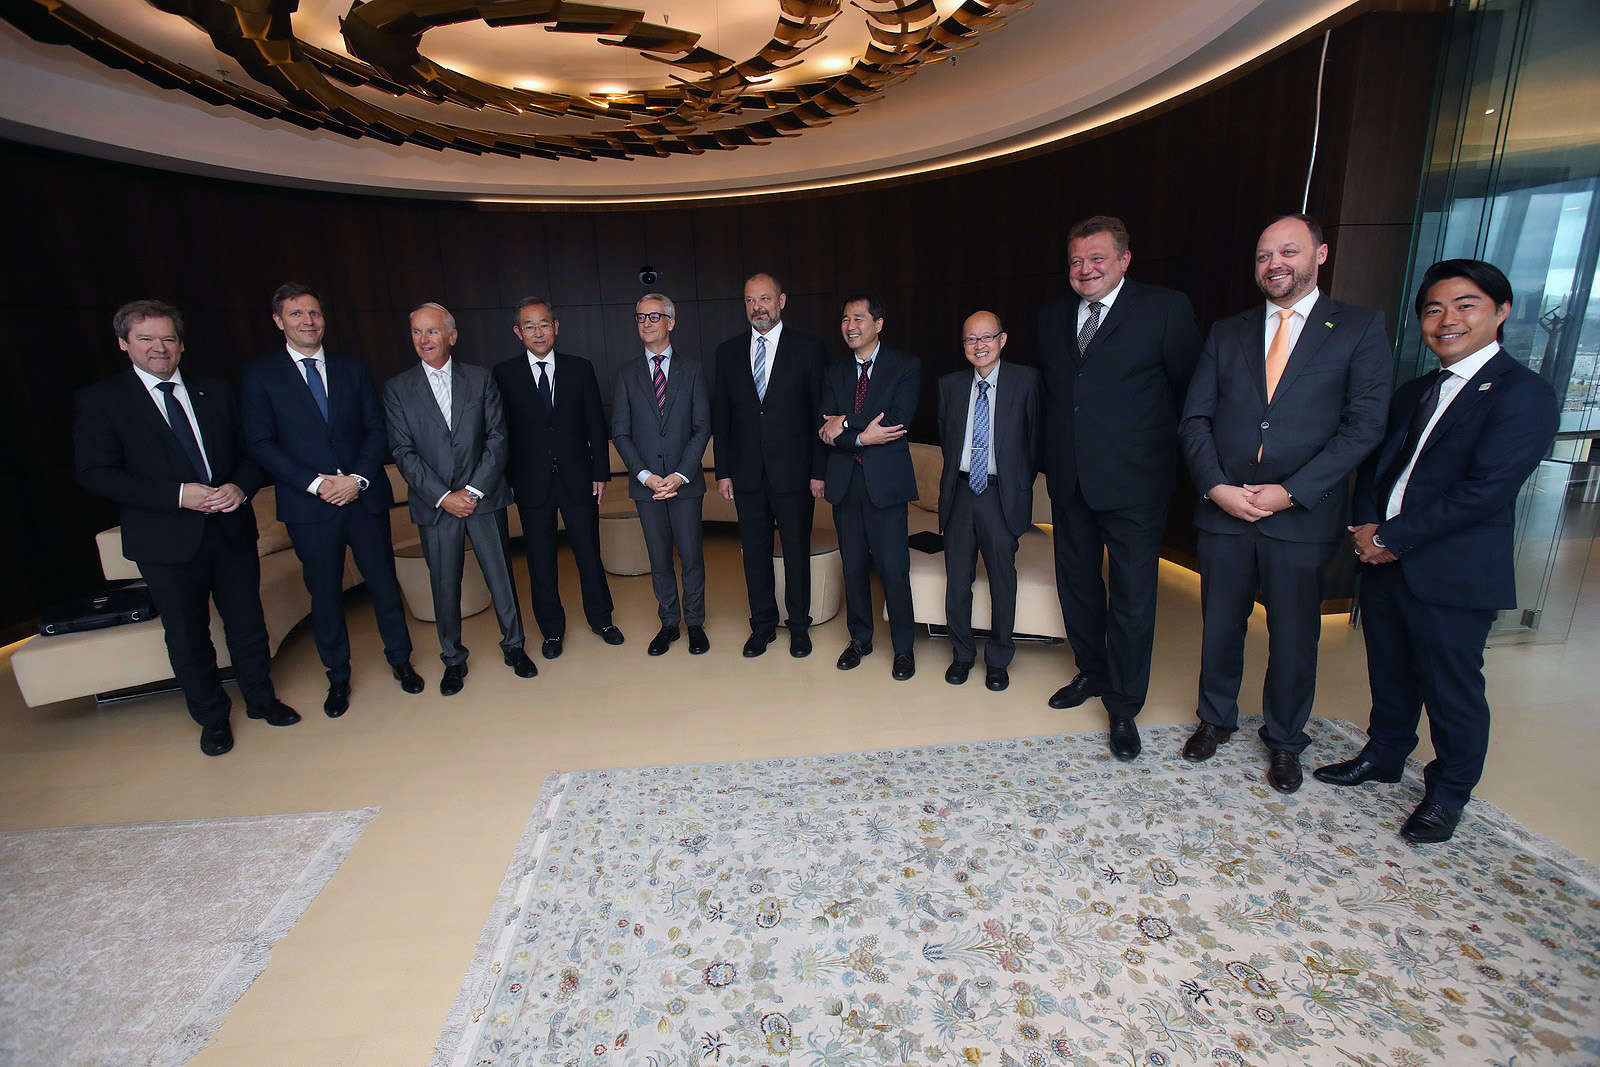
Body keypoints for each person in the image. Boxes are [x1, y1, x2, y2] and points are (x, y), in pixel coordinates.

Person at [1315, 259, 1558, 842]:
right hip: (1384, 561)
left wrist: (1391, 538)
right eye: (1433, 309)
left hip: (1452, 570)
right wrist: (1367, 527)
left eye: (1465, 305)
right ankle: (1384, 755)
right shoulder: (1417, 391)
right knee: (1389, 670)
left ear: (1501, 311)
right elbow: (1378, 467)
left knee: (1452, 689)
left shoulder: (1524, 394)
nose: (1447, 319)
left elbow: (1484, 491)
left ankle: (1447, 794)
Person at [1178, 214, 1391, 792]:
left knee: (1295, 636)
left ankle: (1285, 740)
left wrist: (1291, 491)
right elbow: (1195, 418)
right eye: (1263, 255)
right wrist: (1216, 486)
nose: (1274, 264)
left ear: (1320, 254)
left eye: (1288, 252)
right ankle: (1215, 719)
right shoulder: (1228, 331)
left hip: (1300, 514)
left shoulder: (1358, 328)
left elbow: (1364, 426)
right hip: (1224, 508)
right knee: (1220, 626)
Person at [75, 300, 300, 756]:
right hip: (166, 540)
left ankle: (261, 699)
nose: (159, 348)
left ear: (181, 344)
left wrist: (240, 487)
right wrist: (179, 495)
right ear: (124, 344)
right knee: (187, 634)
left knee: (247, 623)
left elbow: (250, 453)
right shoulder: (102, 401)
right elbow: (96, 473)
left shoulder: (214, 391)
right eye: (146, 339)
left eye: (168, 338)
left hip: (230, 528)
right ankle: (212, 718)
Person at [1038, 215, 1202, 760]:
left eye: (1097, 258)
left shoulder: (1165, 309)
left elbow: (1192, 393)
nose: (1085, 269)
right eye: (1076, 260)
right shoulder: (1051, 318)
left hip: (1136, 484)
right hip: (1070, 481)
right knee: (1078, 586)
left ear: (1124, 260)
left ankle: (1124, 704)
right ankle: (1092, 670)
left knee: (1133, 598)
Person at [241, 283, 420, 718]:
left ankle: (401, 660)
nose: (308, 321)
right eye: (297, 314)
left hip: (363, 498)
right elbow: (260, 442)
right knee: (324, 595)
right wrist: (316, 485)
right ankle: (337, 676)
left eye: (314, 313)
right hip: (309, 507)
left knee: (384, 585)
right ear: (279, 321)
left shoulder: (352, 368)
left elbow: (376, 429)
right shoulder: (261, 376)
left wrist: (356, 479)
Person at [382, 303, 538, 696]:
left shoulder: (481, 379)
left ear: (451, 336)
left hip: (483, 498)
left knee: (501, 578)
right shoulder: (398, 388)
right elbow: (402, 451)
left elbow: (498, 438)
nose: (424, 339)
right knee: (444, 583)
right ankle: (453, 659)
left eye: (432, 331)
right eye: (416, 332)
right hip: (435, 505)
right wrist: (443, 496)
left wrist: (472, 491)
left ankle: (515, 646)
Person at [492, 298, 622, 659]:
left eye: (544, 324)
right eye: (529, 326)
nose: (538, 332)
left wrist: (600, 472)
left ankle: (602, 620)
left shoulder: (579, 369)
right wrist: (508, 480)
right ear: (518, 332)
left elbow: (595, 423)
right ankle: (551, 631)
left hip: (578, 478)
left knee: (588, 553)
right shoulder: (504, 374)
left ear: (556, 327)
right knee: (540, 560)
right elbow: (501, 432)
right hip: (530, 482)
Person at [712, 272, 828, 658]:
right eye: (749, 300)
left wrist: (818, 471)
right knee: (755, 554)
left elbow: (819, 415)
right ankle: (762, 626)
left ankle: (799, 626)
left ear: (781, 301)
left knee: (796, 551)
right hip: (746, 474)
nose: (757, 307)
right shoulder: (727, 352)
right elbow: (722, 418)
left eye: (764, 298)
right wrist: (723, 471)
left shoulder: (809, 349)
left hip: (794, 474)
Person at [936, 311, 1042, 692]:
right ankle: (962, 655)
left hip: (1000, 494)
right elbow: (948, 442)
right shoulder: (949, 386)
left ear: (1002, 339)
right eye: (970, 339)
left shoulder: (1026, 381)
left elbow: (1034, 443)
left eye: (986, 337)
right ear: (963, 345)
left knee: (1002, 580)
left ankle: (998, 660)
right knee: (957, 582)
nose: (978, 345)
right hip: (961, 493)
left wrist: (1016, 487)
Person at [819, 293, 921, 680]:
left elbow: (897, 419)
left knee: (894, 568)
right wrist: (862, 436)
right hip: (846, 483)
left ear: (878, 324)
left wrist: (846, 421)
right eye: (845, 319)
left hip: (886, 485)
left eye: (859, 318)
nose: (850, 326)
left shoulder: (904, 366)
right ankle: (860, 638)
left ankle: (904, 648)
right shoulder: (833, 373)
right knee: (854, 567)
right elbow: (824, 428)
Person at [613, 294, 712, 656]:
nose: (646, 323)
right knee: (658, 560)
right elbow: (620, 433)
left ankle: (695, 623)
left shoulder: (693, 370)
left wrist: (680, 474)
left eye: (654, 316)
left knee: (692, 557)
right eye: (640, 317)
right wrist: (646, 476)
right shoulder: (626, 374)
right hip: (647, 487)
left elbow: (701, 428)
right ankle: (669, 623)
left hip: (685, 484)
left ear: (671, 322)